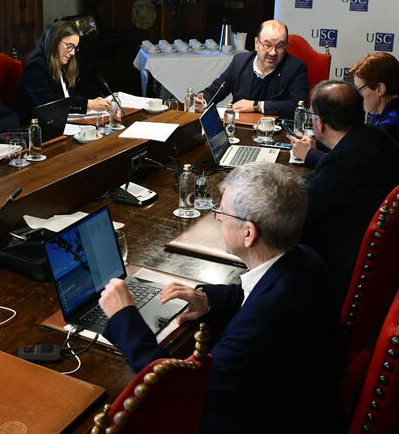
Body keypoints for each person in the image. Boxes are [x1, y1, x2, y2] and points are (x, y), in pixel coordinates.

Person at [99, 162, 339, 433]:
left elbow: (182, 391)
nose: (218, 219)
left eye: (222, 213)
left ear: (248, 233)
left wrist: (124, 317)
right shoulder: (306, 258)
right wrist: (208, 299)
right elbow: (255, 293)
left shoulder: (265, 319)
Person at [298, 80, 399, 301]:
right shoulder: (375, 137)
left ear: (319, 123)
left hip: (337, 277)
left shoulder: (344, 164)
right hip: (384, 266)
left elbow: (296, 214)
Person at [291, 52, 399, 168]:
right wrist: (318, 144)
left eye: (359, 89)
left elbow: (353, 166)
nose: (356, 96)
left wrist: (310, 155)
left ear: (380, 89)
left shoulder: (390, 126)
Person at [194, 19, 309, 120]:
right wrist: (202, 102)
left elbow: (298, 106)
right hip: (239, 127)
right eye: (267, 45)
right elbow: (214, 91)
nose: (273, 52)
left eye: (279, 46)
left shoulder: (296, 68)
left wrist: (257, 105)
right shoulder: (240, 62)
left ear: (286, 46)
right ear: (256, 43)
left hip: (275, 132)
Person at [16, 21, 110, 124]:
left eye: (74, 47)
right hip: (38, 128)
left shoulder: (63, 65)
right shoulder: (36, 67)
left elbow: (74, 97)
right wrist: (87, 104)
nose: (72, 53)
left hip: (63, 123)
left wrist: (93, 103)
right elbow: (50, 104)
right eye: (69, 46)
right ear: (55, 41)